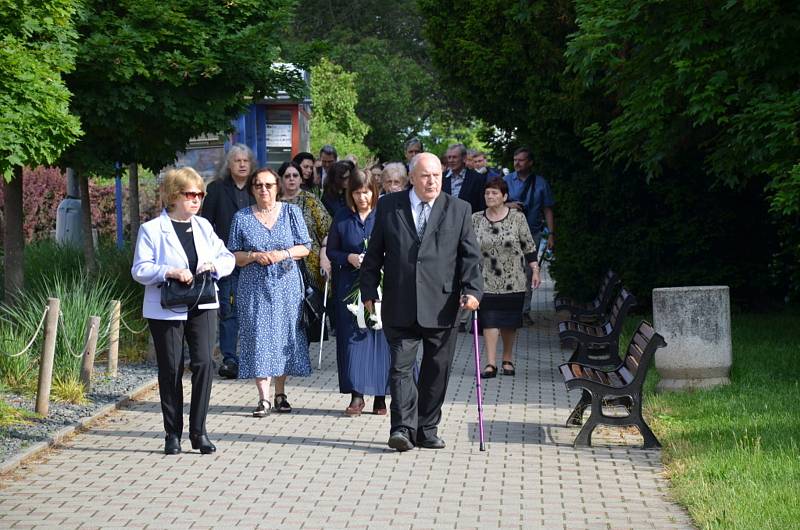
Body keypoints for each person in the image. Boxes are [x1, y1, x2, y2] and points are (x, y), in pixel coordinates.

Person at [360, 152, 483, 452]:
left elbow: (470, 256)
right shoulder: (390, 206)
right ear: (411, 178)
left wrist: (473, 291)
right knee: (401, 368)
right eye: (426, 175)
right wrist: (368, 291)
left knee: (436, 370)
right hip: (400, 302)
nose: (432, 181)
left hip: (442, 304)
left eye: (437, 175)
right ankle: (402, 428)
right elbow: (375, 252)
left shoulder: (459, 209)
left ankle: (427, 428)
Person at [132, 167, 236, 455]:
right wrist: (171, 271)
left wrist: (214, 266)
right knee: (171, 368)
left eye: (200, 194)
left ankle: (199, 431)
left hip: (202, 301)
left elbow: (226, 257)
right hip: (167, 306)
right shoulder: (152, 229)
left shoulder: (203, 226)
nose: (196, 200)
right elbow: (140, 269)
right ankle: (172, 433)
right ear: (173, 196)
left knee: (204, 364)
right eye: (190, 194)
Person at [227, 168, 313, 416]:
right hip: (253, 286)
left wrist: (282, 253)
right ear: (252, 189)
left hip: (286, 285)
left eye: (268, 185)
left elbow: (305, 247)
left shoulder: (291, 212)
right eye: (258, 185)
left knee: (284, 336)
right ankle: (263, 398)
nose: (264, 190)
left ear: (278, 187)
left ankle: (281, 392)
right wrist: (254, 256)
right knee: (257, 336)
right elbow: (234, 254)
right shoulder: (241, 217)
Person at [327, 170, 390, 416]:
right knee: (353, 339)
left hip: (379, 287)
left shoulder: (383, 214)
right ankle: (356, 394)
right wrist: (350, 258)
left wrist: (382, 261)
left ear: (373, 191)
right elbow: (332, 251)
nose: (362, 197)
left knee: (379, 339)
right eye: (356, 192)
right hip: (349, 286)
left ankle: (380, 396)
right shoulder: (342, 217)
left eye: (366, 191)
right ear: (350, 193)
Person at [472, 179, 540, 378]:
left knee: (509, 322)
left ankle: (507, 359)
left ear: (504, 197)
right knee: (489, 320)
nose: (490, 197)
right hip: (485, 278)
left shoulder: (517, 218)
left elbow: (529, 245)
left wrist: (535, 270)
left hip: (513, 279)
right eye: (487, 193)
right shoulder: (476, 218)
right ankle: (490, 363)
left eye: (494, 193)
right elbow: (467, 247)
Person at [201, 144, 256, 379]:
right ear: (229, 164)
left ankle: (254, 357)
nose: (242, 164)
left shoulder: (258, 188)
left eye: (246, 161)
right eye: (237, 161)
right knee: (229, 310)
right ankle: (230, 359)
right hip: (227, 261)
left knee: (254, 311)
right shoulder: (216, 189)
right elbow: (206, 226)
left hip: (256, 260)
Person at [503, 147, 555, 320]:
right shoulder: (506, 180)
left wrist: (551, 234)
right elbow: (492, 202)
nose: (517, 163)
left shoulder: (541, 183)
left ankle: (524, 311)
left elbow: (548, 209)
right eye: (515, 159)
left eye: (521, 160)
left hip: (532, 233)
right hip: (508, 233)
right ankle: (508, 308)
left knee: (527, 272)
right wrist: (509, 205)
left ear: (530, 162)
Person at [277, 161, 332, 289]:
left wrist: (324, 256)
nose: (291, 179)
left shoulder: (311, 200)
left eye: (295, 175)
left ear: (301, 179)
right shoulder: (274, 202)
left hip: (312, 263)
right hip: (281, 263)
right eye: (287, 176)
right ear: (280, 180)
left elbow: (328, 231)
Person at [443, 143, 486, 213]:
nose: (451, 160)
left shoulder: (477, 179)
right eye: (449, 157)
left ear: (464, 158)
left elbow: (481, 206)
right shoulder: (441, 178)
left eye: (454, 157)